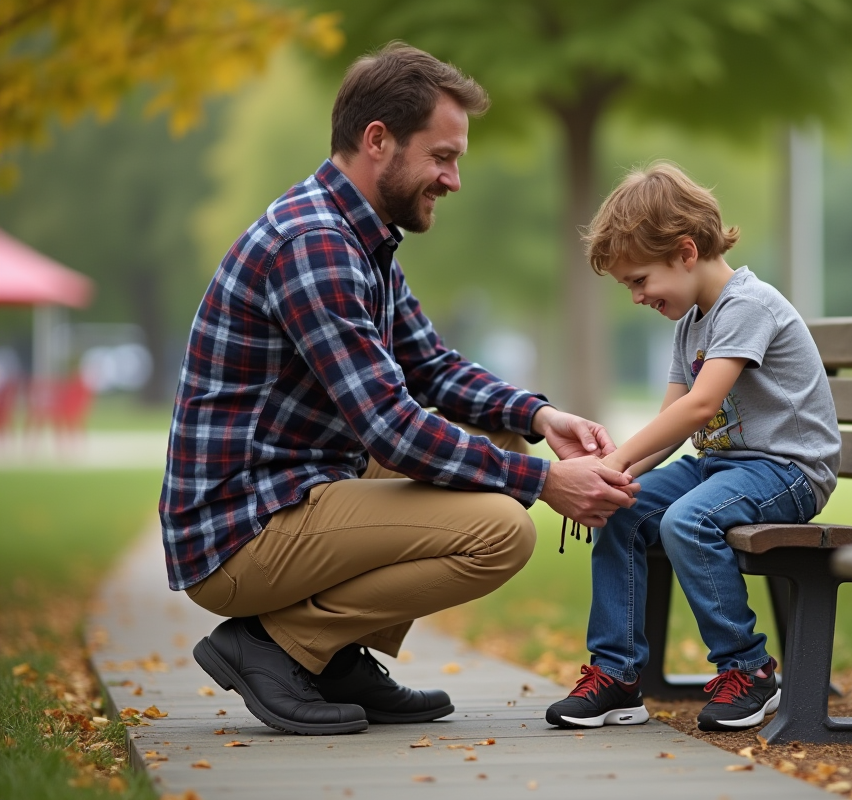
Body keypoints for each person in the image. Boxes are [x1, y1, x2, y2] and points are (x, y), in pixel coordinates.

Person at [160, 42, 638, 737]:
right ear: (377, 140)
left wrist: (539, 416)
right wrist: (542, 482)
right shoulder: (313, 243)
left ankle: (329, 658)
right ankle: (277, 646)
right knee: (499, 529)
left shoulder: (361, 239)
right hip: (239, 533)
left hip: (299, 493)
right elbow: (391, 426)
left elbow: (433, 369)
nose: (453, 179)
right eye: (442, 157)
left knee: (495, 440)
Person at [545, 163, 840, 732]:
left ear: (685, 252)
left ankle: (750, 671)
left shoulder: (747, 305)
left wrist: (611, 459)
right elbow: (674, 424)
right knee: (622, 509)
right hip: (722, 468)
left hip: (788, 470)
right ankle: (617, 676)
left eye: (638, 280)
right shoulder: (691, 324)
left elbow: (700, 407)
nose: (634, 297)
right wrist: (613, 477)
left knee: (686, 520)